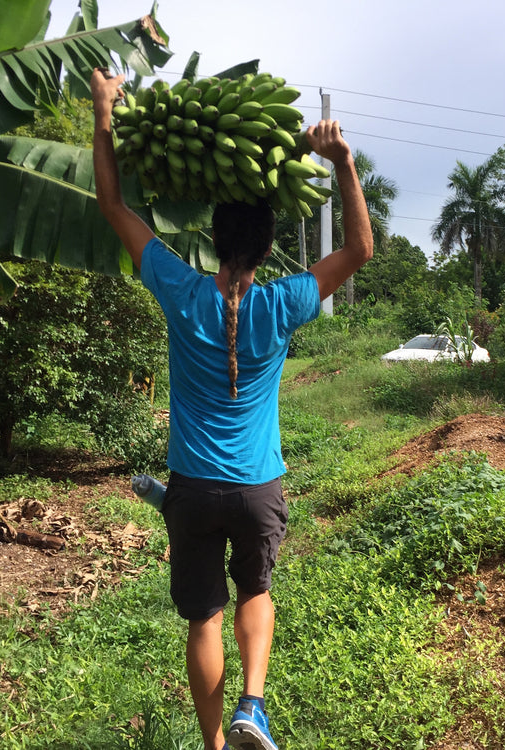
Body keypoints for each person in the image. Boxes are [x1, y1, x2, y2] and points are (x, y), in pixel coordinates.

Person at [90, 68, 373, 750]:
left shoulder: (178, 286)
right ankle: (253, 705)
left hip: (189, 490)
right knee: (255, 593)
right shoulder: (283, 303)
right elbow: (360, 249)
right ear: (269, 247)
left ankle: (216, 745)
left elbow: (111, 203)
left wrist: (105, 110)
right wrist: (344, 164)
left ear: (212, 240)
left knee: (203, 619)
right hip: (257, 488)